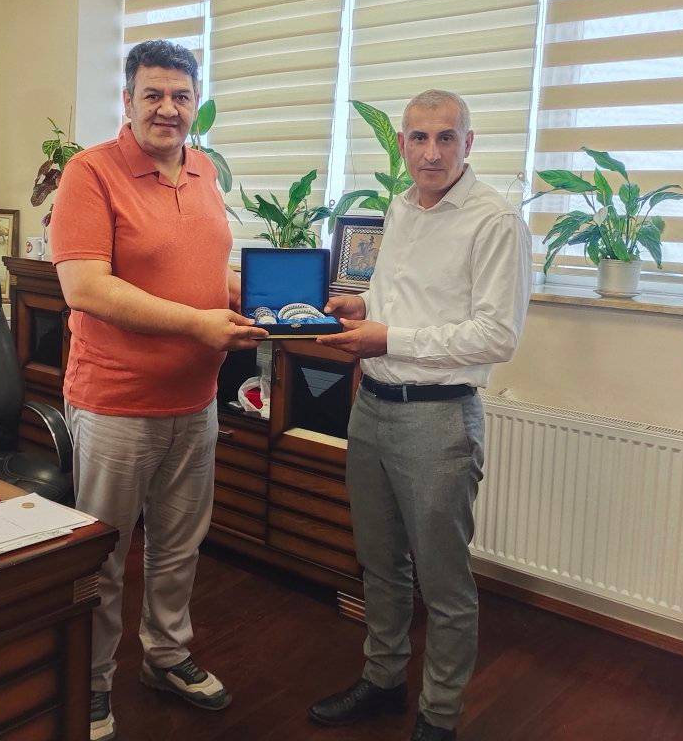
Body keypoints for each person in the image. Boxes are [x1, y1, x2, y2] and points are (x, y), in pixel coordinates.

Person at [50, 39, 267, 741]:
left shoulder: (203, 172)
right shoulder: (90, 173)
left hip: (194, 403)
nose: (167, 108)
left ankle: (166, 657)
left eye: (180, 96)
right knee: (104, 556)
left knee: (179, 546)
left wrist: (268, 302)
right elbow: (87, 287)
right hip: (115, 403)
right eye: (153, 94)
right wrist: (198, 324)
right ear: (128, 100)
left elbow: (208, 273)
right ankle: (90, 684)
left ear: (195, 103)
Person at [310, 90, 532, 741]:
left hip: (439, 420)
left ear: (469, 143)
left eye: (445, 137)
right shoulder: (401, 207)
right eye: (418, 138)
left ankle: (440, 718)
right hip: (372, 408)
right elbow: (405, 300)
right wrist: (363, 309)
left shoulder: (496, 221)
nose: (431, 152)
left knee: (444, 585)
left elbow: (496, 337)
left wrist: (389, 337)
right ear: (402, 143)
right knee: (380, 565)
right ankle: (383, 681)